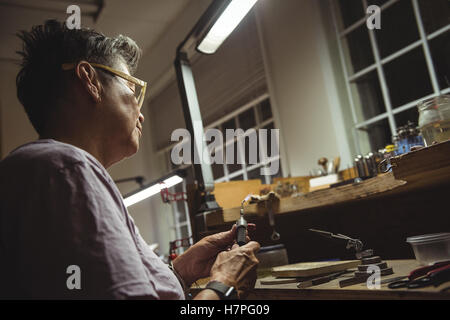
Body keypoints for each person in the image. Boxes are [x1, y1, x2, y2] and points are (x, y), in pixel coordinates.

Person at [0, 20, 260, 299]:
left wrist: (180, 272)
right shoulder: (68, 168)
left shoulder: (46, 169)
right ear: (90, 80)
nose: (142, 113)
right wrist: (224, 285)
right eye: (133, 88)